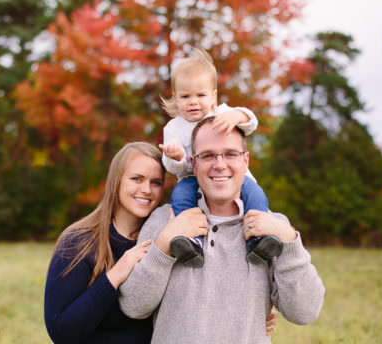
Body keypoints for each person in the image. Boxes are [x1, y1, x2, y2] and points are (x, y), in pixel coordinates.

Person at [43, 142, 279, 343]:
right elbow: (62, 332)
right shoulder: (79, 242)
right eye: (137, 179)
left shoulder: (171, 235)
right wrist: (115, 276)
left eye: (156, 182)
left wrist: (252, 313)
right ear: (116, 181)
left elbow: (195, 299)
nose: (146, 190)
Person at [119, 118, 325, 344]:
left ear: (245, 161)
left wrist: (289, 241)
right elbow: (133, 306)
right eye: (207, 155)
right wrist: (164, 245)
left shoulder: (272, 227)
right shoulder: (164, 221)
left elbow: (304, 313)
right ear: (193, 164)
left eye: (230, 154)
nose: (219, 164)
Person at [158, 48, 282, 267]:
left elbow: (251, 123)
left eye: (201, 95)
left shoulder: (221, 113)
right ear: (176, 99)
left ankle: (259, 237)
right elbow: (172, 167)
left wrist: (238, 115)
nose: (193, 102)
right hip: (190, 176)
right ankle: (190, 240)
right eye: (186, 97)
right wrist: (176, 157)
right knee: (180, 197)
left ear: (213, 96)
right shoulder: (174, 127)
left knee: (255, 193)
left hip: (231, 176)